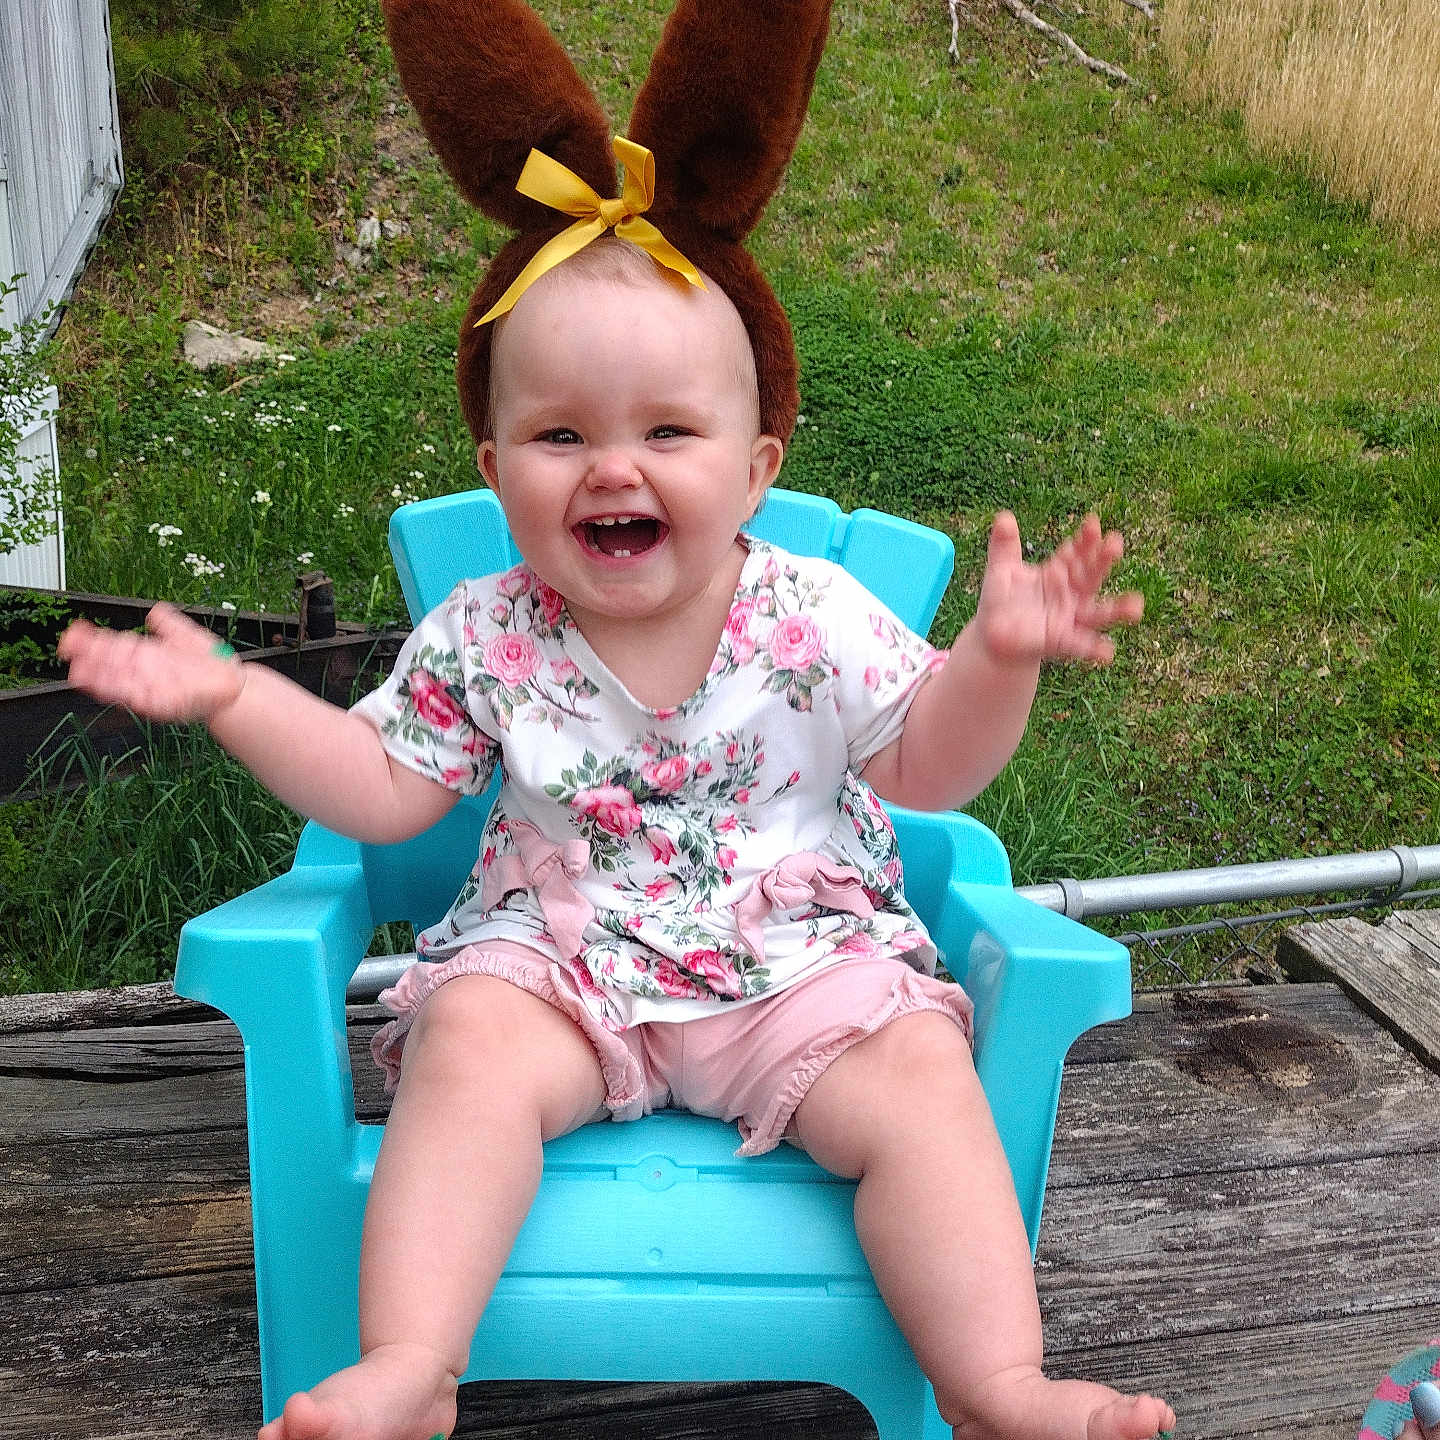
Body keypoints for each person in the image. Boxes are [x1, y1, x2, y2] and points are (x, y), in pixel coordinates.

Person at [60, 235, 1166, 1440]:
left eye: (666, 434)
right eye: (561, 436)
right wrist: (237, 696)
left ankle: (996, 1384)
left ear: (756, 472)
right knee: (467, 1051)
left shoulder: (812, 614)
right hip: (565, 967)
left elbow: (930, 769)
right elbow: (379, 788)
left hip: (796, 968)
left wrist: (998, 665)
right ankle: (417, 1364)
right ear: (496, 472)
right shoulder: (486, 632)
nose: (611, 468)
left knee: (922, 1081)